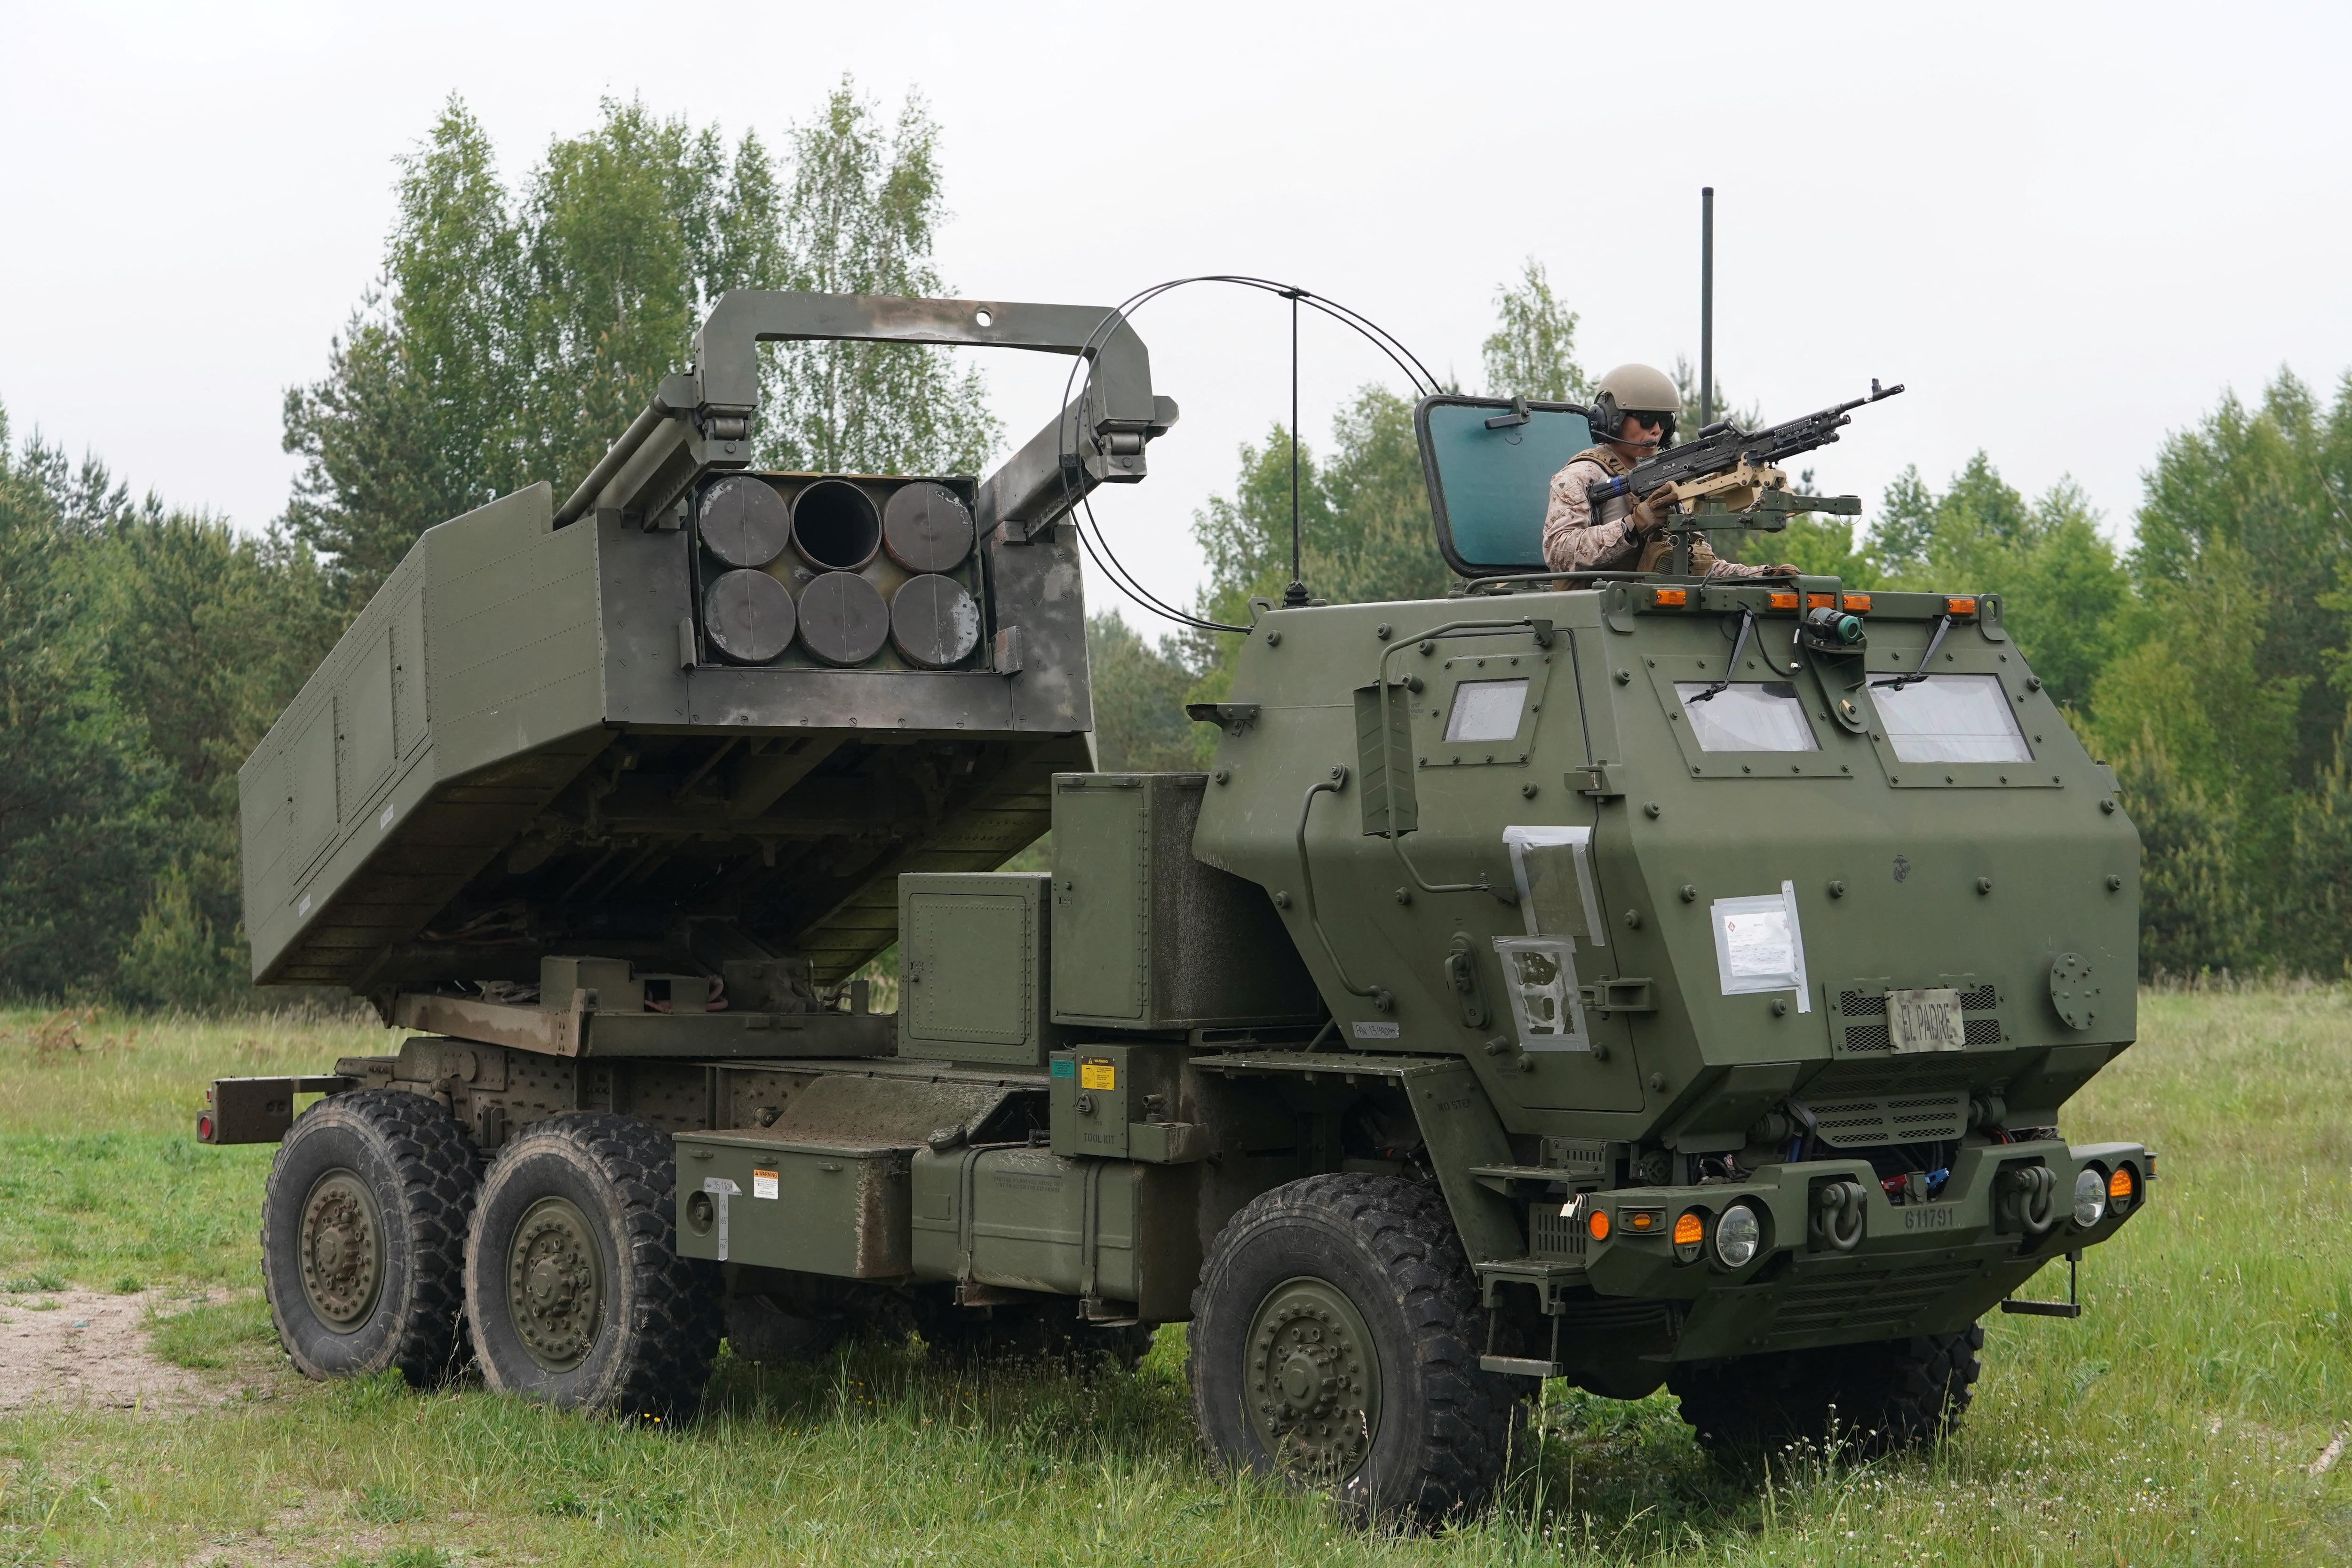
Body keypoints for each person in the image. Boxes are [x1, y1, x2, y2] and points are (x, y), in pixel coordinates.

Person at [1540, 363, 1792, 578]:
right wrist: (1632, 525)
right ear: (1611, 420)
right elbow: (1559, 552)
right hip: (1595, 611)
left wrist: (1761, 575)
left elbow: (1695, 564)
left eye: (1665, 421)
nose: (1657, 430)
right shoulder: (1582, 475)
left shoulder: (1665, 479)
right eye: (1647, 420)